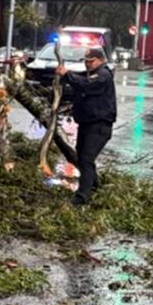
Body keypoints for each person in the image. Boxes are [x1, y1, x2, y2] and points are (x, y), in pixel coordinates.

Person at [55, 46, 116, 206]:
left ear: (101, 60)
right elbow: (80, 86)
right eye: (86, 61)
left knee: (87, 159)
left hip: (99, 126)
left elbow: (86, 85)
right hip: (86, 124)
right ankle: (94, 188)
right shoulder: (90, 74)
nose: (88, 64)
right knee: (83, 158)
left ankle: (81, 197)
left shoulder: (103, 75)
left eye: (91, 61)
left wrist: (66, 74)